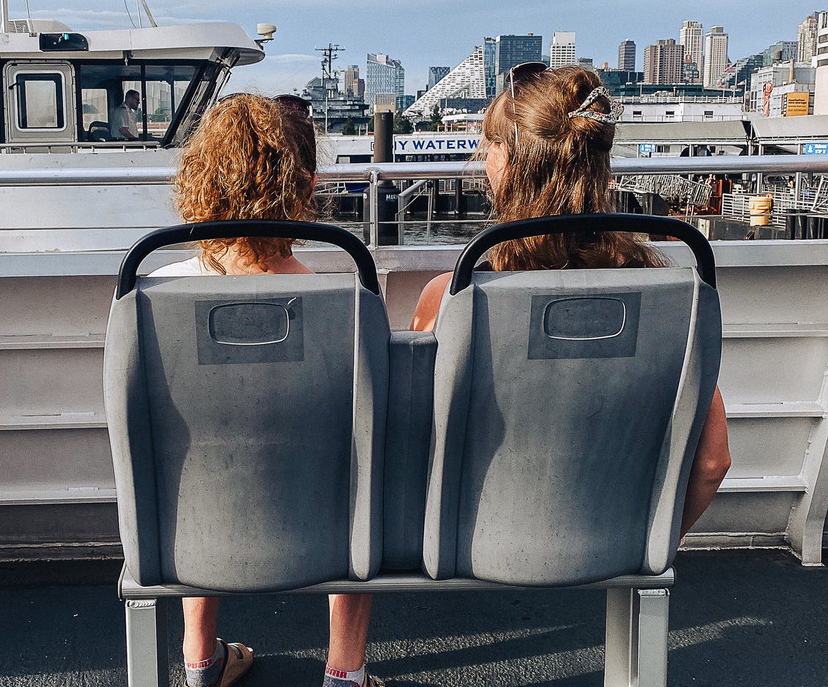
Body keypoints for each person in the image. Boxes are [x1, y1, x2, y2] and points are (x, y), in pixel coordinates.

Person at [410, 64, 730, 538]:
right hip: (612, 543)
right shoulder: (666, 296)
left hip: (467, 544)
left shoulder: (451, 298)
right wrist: (652, 549)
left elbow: (413, 447)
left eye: (491, 142)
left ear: (506, 160)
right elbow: (711, 460)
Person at [149, 94, 382, 687]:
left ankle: (200, 660)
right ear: (302, 186)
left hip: (195, 518)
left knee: (186, 463)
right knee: (360, 479)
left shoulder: (151, 297)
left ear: (201, 180)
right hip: (322, 522)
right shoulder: (347, 303)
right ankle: (345, 673)